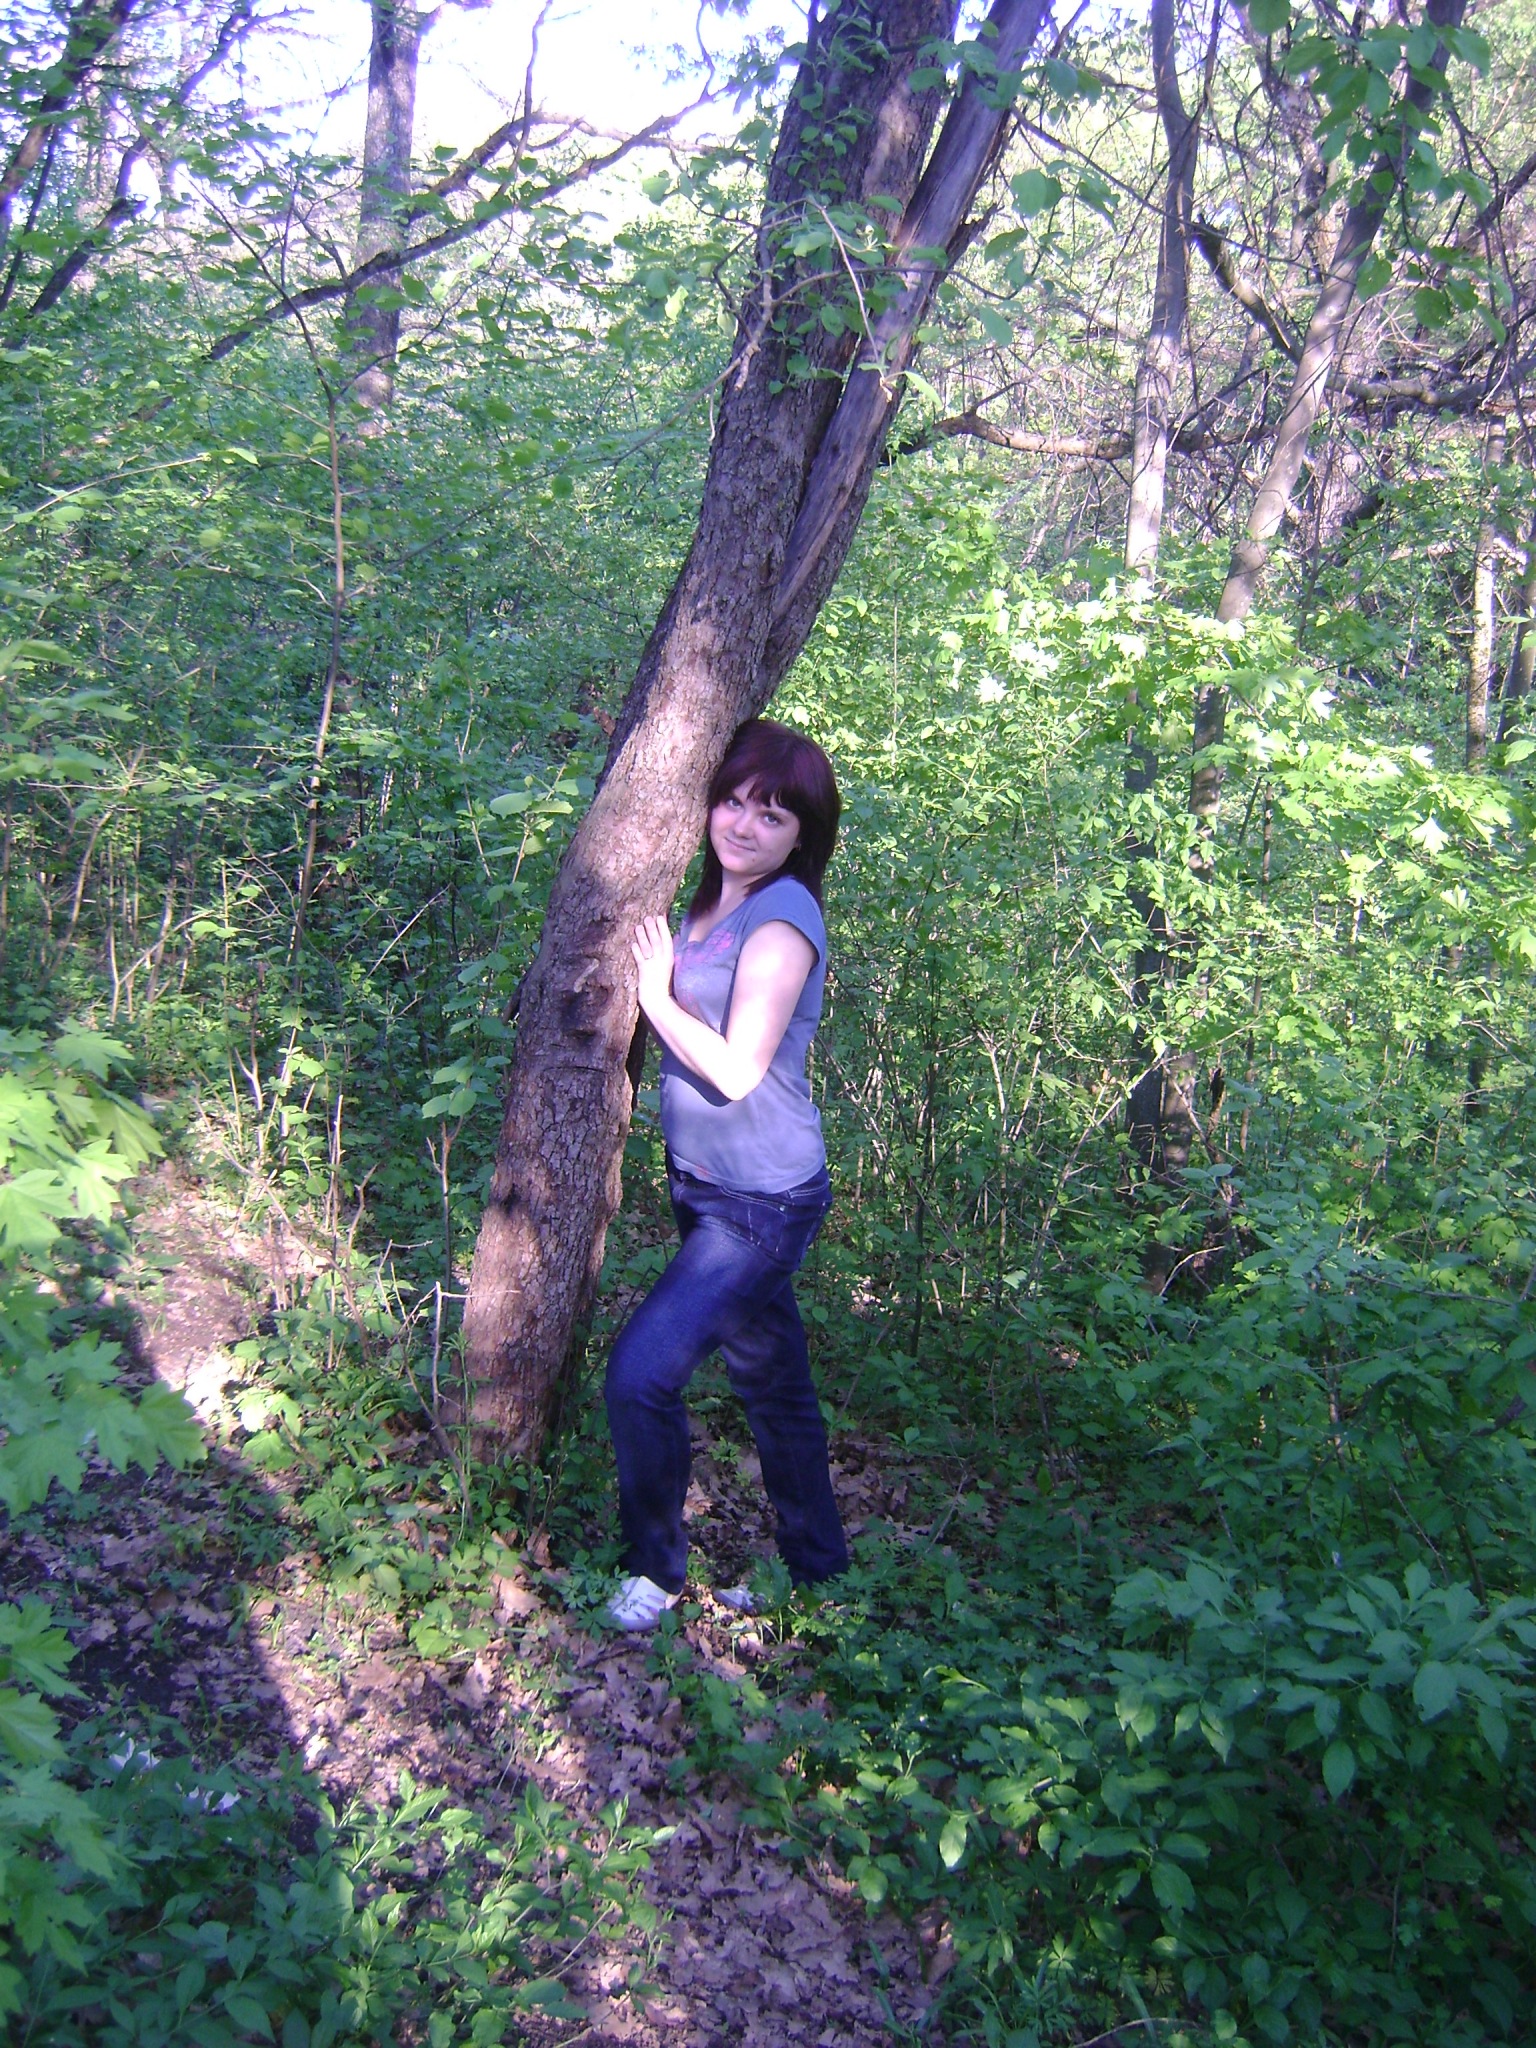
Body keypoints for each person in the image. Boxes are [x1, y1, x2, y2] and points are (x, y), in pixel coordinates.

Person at [603, 719, 850, 1630]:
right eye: (734, 801)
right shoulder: (707, 899)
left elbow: (739, 1070)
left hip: (761, 1202)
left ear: (802, 836)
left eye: (773, 815)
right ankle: (819, 1574)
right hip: (704, 1183)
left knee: (639, 1375)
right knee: (774, 1385)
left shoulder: (782, 918)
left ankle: (656, 1571)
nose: (744, 825)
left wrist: (653, 998)